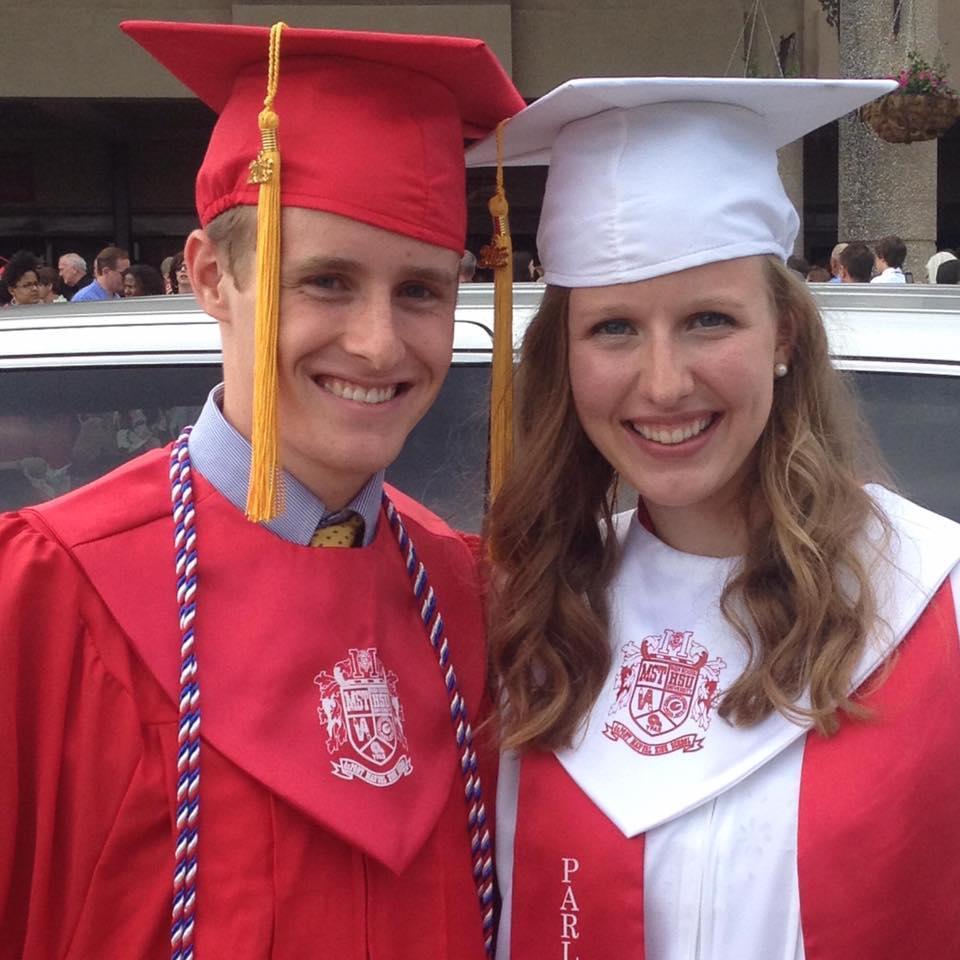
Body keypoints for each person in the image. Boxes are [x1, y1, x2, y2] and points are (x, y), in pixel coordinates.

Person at [0, 19, 523, 960]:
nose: (378, 343)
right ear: (211, 276)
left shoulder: (469, 598)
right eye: (324, 281)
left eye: (420, 291)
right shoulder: (47, 598)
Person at [468, 76, 960, 959]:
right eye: (613, 328)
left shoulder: (937, 602)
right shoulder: (520, 616)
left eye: (708, 319)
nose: (663, 384)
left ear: (783, 337)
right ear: (565, 357)